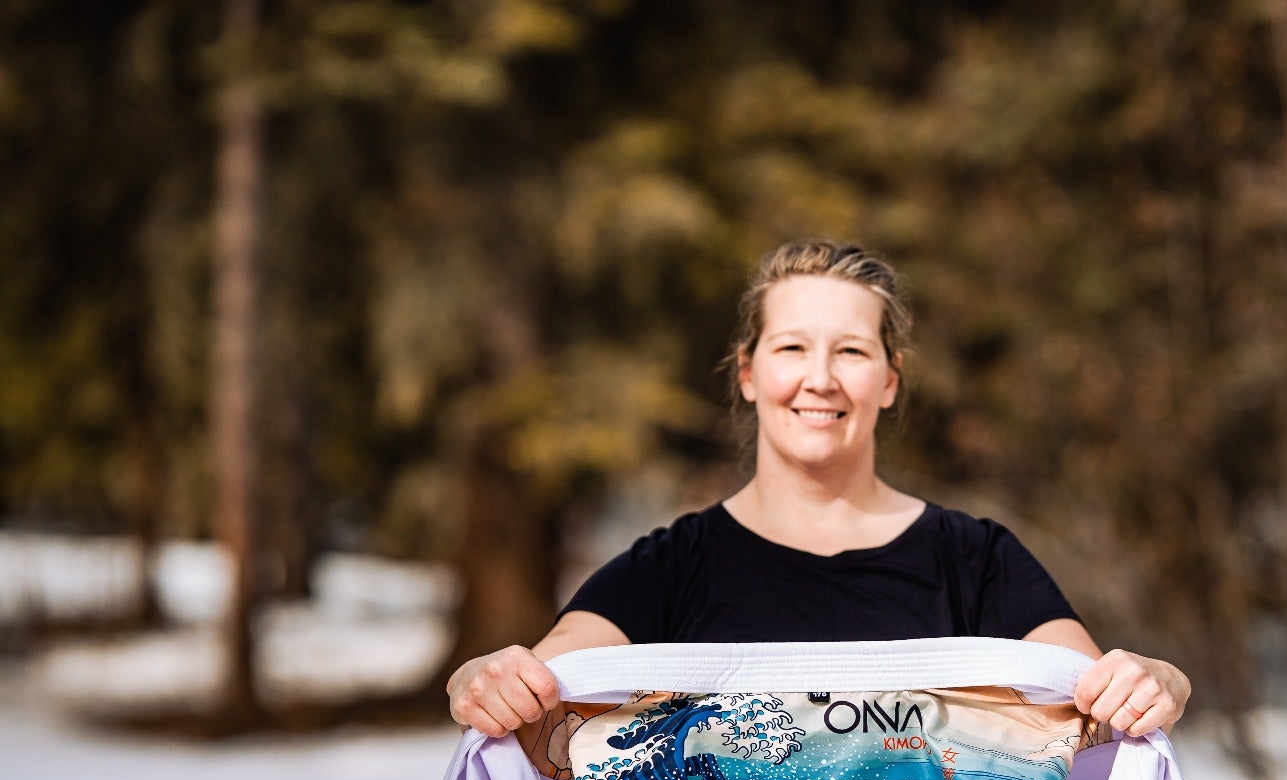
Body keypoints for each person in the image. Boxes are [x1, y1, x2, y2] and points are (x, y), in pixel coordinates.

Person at [446, 237, 1191, 743]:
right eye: (793, 347)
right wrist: (483, 678)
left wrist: (1157, 681)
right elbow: (543, 678)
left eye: (853, 352)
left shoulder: (977, 561)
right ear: (748, 371)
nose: (821, 379)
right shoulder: (670, 568)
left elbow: (1095, 697)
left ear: (889, 380)